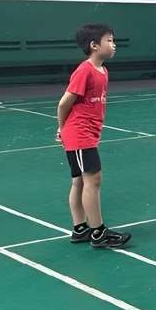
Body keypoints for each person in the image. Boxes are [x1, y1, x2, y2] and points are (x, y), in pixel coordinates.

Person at [56, 23, 131, 250]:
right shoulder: (84, 71)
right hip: (79, 134)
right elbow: (64, 103)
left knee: (79, 181)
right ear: (94, 45)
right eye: (109, 40)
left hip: (86, 133)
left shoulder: (103, 71)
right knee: (93, 179)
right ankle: (98, 232)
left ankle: (80, 229)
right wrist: (61, 128)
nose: (114, 45)